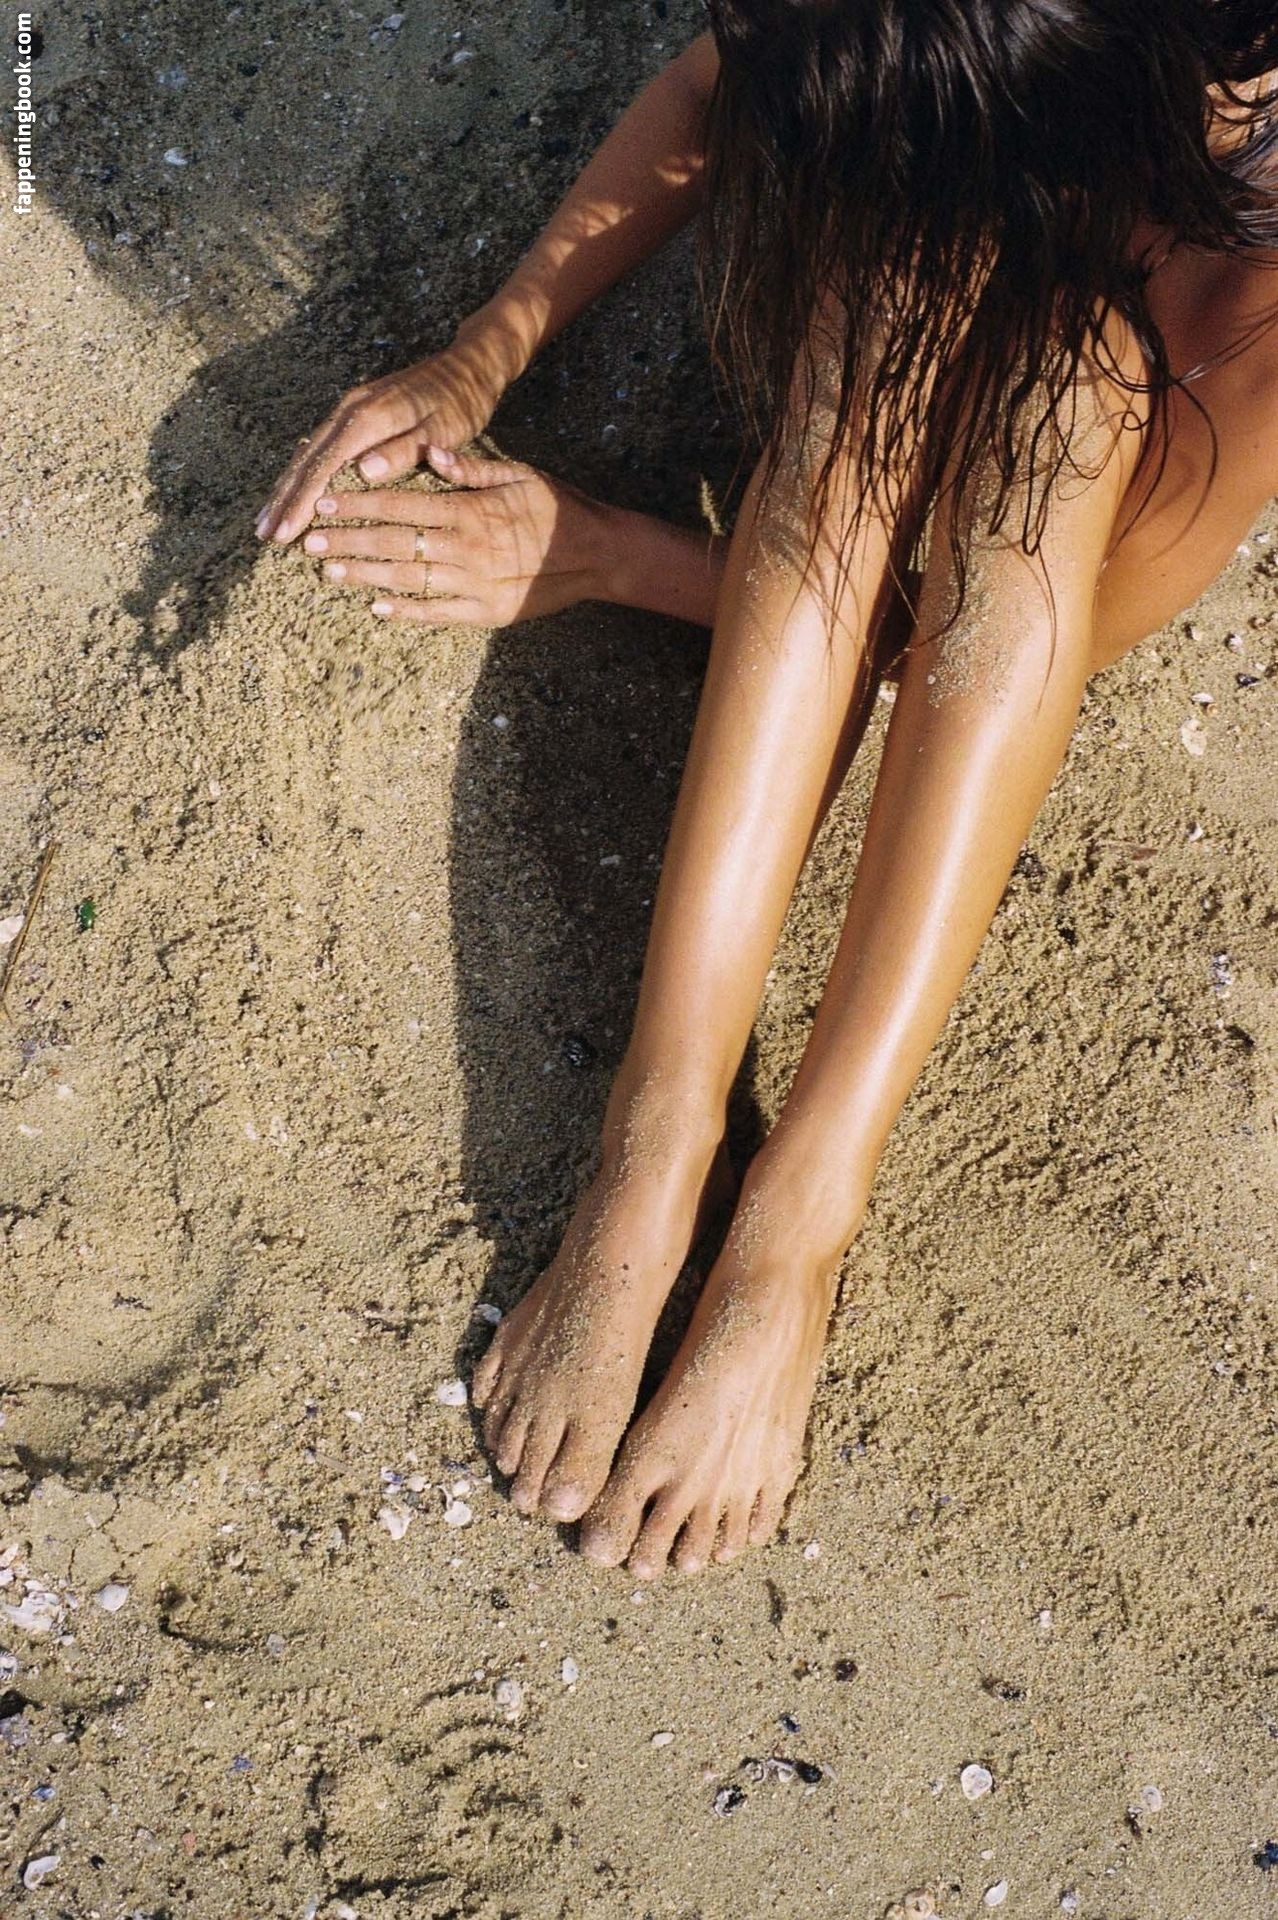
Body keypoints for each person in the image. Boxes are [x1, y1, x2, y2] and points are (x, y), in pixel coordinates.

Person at [256, 2, 1278, 1580]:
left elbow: (980, 644)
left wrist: (609, 553)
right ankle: (654, 1139)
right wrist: (484, 351)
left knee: (1057, 399)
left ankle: (796, 1220)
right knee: (896, 291)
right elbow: (718, 76)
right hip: (1089, 153)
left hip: (1104, 436)